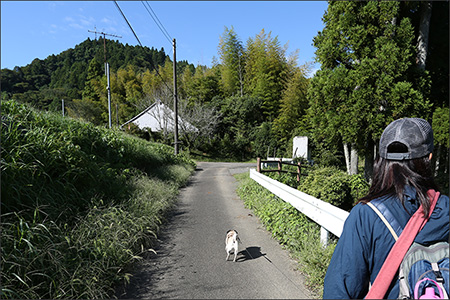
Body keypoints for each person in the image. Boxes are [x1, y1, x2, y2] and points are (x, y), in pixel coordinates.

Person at [323, 118, 449, 299]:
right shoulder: (445, 209)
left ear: (380, 161)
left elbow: (339, 290)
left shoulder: (366, 215)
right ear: (429, 157)